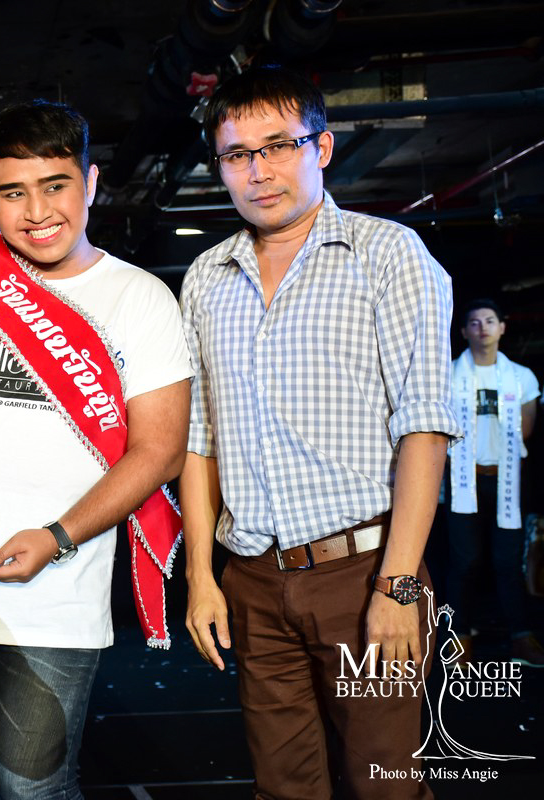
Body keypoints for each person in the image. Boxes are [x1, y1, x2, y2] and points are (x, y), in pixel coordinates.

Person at [0, 100, 191, 799]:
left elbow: (160, 451)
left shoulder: (140, 298)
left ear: (91, 182)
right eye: (13, 192)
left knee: (33, 790)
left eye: (55, 185)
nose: (37, 211)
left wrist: (56, 536)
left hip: (58, 594)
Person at [181, 66, 459, 799]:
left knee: (384, 786)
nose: (258, 170)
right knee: (283, 787)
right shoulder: (206, 277)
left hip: (362, 572)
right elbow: (199, 440)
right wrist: (202, 577)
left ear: (323, 147)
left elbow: (425, 428)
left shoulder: (387, 253)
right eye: (237, 154)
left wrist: (398, 585)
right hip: (252, 577)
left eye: (278, 146)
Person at [447, 298, 543, 666]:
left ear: (502, 327)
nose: (482, 328)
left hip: (506, 481)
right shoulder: (448, 375)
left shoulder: (522, 376)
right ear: (464, 331)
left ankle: (520, 636)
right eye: (474, 322)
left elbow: (526, 431)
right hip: (462, 480)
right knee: (463, 562)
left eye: (490, 321)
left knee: (507, 561)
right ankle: (460, 637)